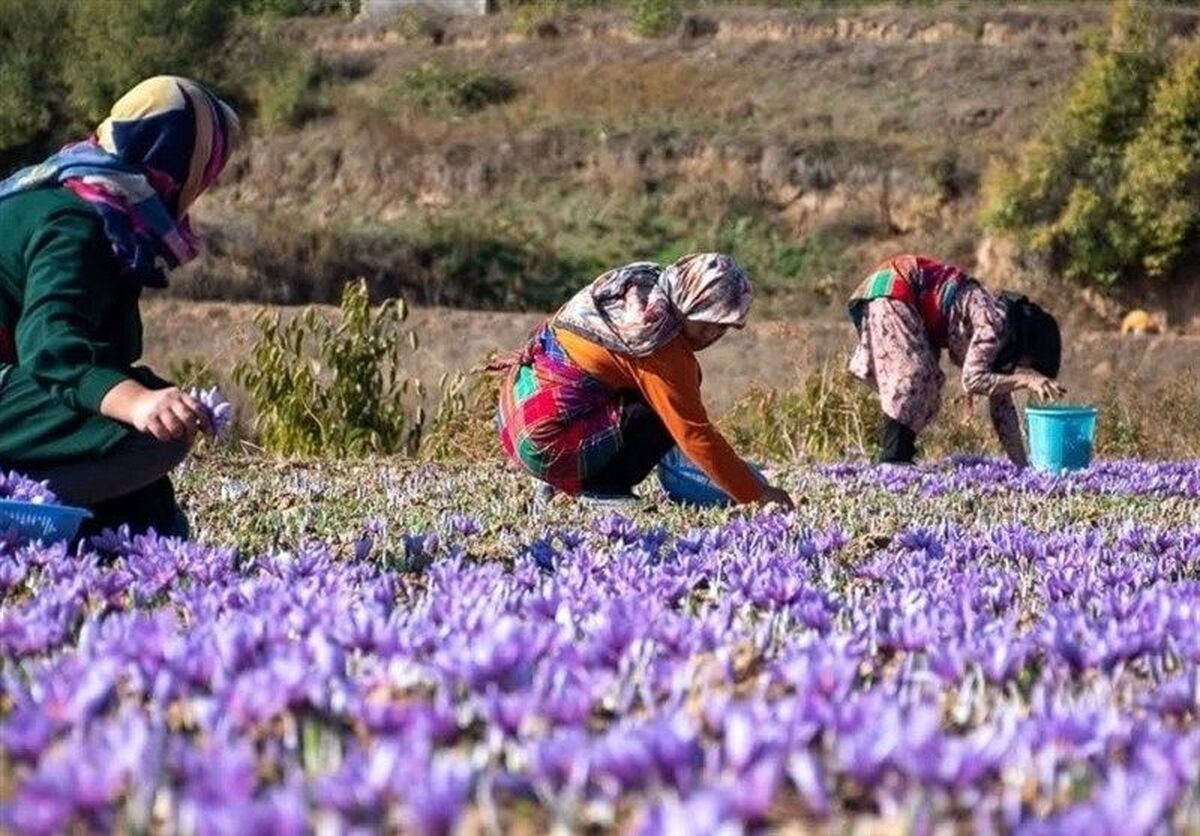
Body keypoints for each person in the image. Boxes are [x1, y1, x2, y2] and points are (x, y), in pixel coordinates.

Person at [0, 76, 240, 537]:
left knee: (150, 521)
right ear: (177, 164)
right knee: (152, 433)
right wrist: (138, 403)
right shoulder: (75, 220)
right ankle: (21, 508)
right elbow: (52, 345)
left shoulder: (87, 198)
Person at [493, 254, 793, 508]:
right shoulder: (660, 345)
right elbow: (695, 436)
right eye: (705, 321)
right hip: (546, 443)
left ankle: (557, 481)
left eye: (722, 327)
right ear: (687, 302)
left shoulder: (636, 289)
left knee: (655, 394)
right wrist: (756, 495)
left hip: (514, 415)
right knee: (664, 411)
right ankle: (603, 488)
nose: (711, 335)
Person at [848, 254, 1064, 466]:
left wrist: (1021, 467)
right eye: (1027, 363)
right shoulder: (995, 323)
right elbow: (972, 380)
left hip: (909, 302)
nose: (1020, 366)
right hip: (895, 288)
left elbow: (1003, 410)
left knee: (930, 387)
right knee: (913, 375)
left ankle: (902, 456)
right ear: (1028, 344)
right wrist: (1027, 380)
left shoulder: (1003, 345)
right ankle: (893, 461)